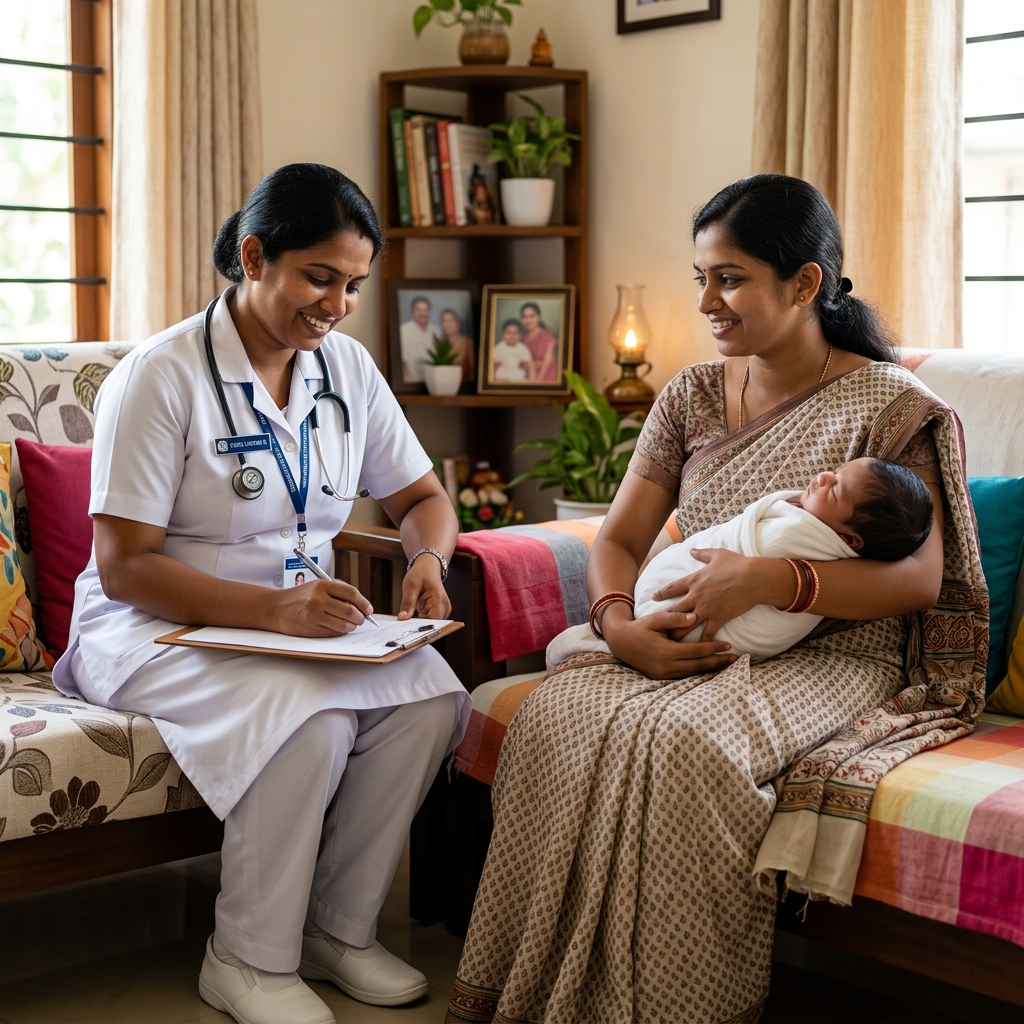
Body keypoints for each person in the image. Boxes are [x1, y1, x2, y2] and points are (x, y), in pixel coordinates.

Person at [447, 174, 987, 1024]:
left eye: (729, 279)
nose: (706, 301)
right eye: (702, 276)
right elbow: (619, 540)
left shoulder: (891, 407)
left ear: (805, 283)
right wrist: (619, 628)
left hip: (834, 652)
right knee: (556, 715)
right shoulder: (692, 394)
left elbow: (920, 580)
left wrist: (774, 580)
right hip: (679, 627)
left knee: (690, 744)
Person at [51, 163, 470, 1024]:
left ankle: (336, 931)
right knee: (309, 719)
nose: (338, 304)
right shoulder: (161, 375)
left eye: (353, 284)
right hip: (151, 625)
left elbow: (424, 498)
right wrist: (274, 611)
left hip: (297, 625)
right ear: (253, 257)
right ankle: (247, 958)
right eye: (319, 277)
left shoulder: (345, 368)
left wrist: (428, 559)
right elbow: (126, 567)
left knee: (430, 699)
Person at [399, 295, 437, 382]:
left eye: (425, 310)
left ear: (429, 312)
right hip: (410, 381)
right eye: (418, 310)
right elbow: (401, 360)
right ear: (412, 312)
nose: (422, 313)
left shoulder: (436, 331)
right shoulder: (403, 330)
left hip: (433, 382)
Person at [519, 301, 559, 382]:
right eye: (525, 317)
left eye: (532, 316)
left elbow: (548, 361)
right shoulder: (522, 338)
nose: (528, 320)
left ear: (539, 317)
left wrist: (538, 380)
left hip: (545, 376)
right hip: (527, 376)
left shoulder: (546, 335)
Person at [439, 308, 475, 383]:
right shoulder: (439, 345)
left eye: (451, 320)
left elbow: (473, 370)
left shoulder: (468, 343)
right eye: (444, 321)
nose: (447, 324)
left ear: (458, 323)